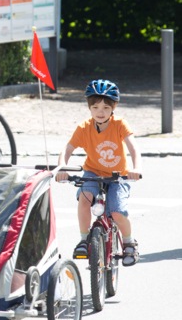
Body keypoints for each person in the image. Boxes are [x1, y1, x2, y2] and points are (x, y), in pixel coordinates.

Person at [56, 79, 143, 266]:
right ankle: (84, 239)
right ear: (89, 108)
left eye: (105, 107)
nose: (100, 112)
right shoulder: (84, 128)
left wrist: (136, 169)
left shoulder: (120, 124)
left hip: (118, 175)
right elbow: (67, 149)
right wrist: (62, 167)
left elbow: (134, 148)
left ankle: (129, 242)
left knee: (117, 213)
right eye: (95, 107)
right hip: (92, 172)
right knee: (85, 198)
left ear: (115, 106)